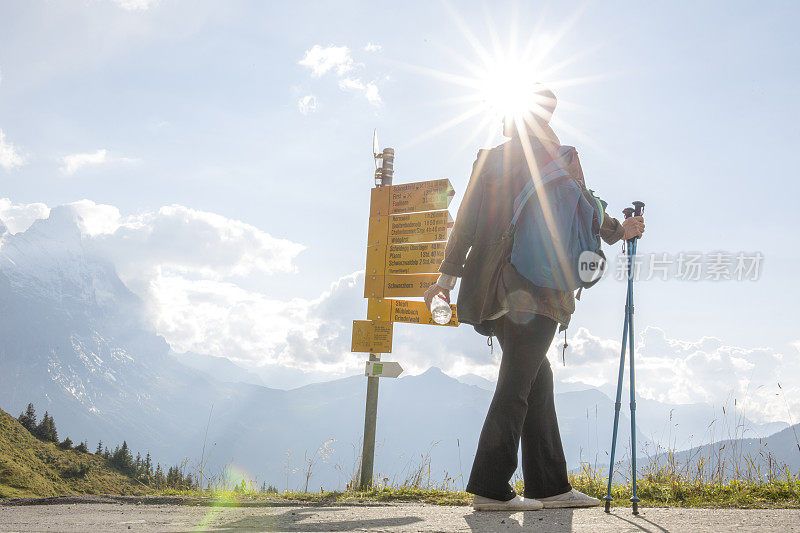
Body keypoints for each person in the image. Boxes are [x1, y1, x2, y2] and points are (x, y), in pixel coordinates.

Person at [424, 86, 645, 511]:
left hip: (493, 288)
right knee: (517, 385)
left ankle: (549, 486)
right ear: (547, 118)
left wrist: (447, 280)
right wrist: (623, 231)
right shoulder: (561, 156)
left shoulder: (488, 159)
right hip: (540, 290)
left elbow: (467, 223)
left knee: (534, 380)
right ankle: (489, 487)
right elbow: (590, 211)